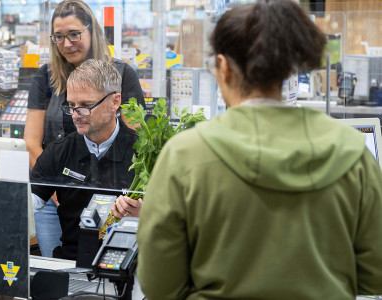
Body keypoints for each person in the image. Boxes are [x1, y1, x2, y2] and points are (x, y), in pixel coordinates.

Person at [137, 1, 382, 299]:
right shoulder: (353, 153)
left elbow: (159, 285)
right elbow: (375, 275)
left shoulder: (184, 155)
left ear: (224, 68)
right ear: (288, 68)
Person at [25, 0, 145, 257]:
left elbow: (136, 143)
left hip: (113, 194)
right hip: (60, 188)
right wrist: (59, 184)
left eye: (74, 34)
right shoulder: (45, 76)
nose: (66, 43)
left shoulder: (122, 73)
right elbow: (32, 141)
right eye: (58, 36)